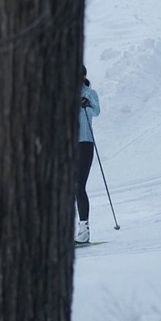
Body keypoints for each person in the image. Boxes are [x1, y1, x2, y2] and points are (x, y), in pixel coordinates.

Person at [75, 66, 100, 244]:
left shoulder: (90, 93)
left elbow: (96, 112)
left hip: (84, 143)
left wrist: (86, 104)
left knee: (79, 185)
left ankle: (84, 231)